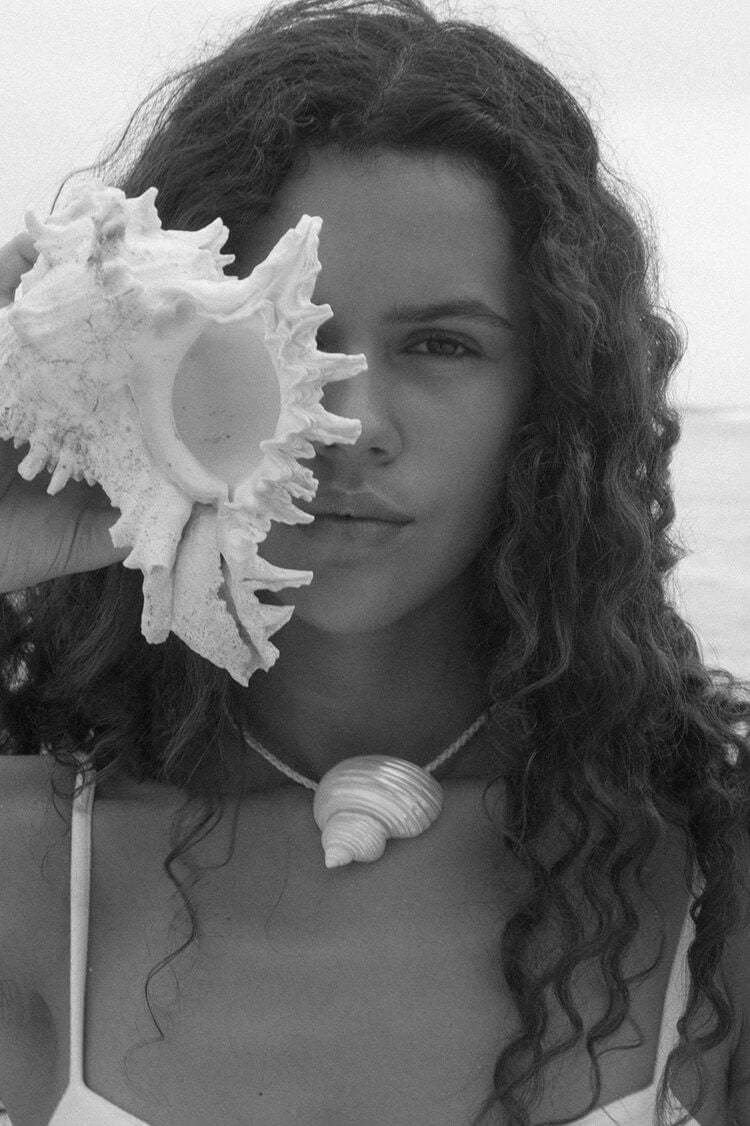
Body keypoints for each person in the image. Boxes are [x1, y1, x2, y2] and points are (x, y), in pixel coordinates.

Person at [0, 0, 748, 1123]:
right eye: (294, 332)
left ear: (551, 397)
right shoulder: (32, 861)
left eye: (442, 345)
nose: (350, 420)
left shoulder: (708, 873)